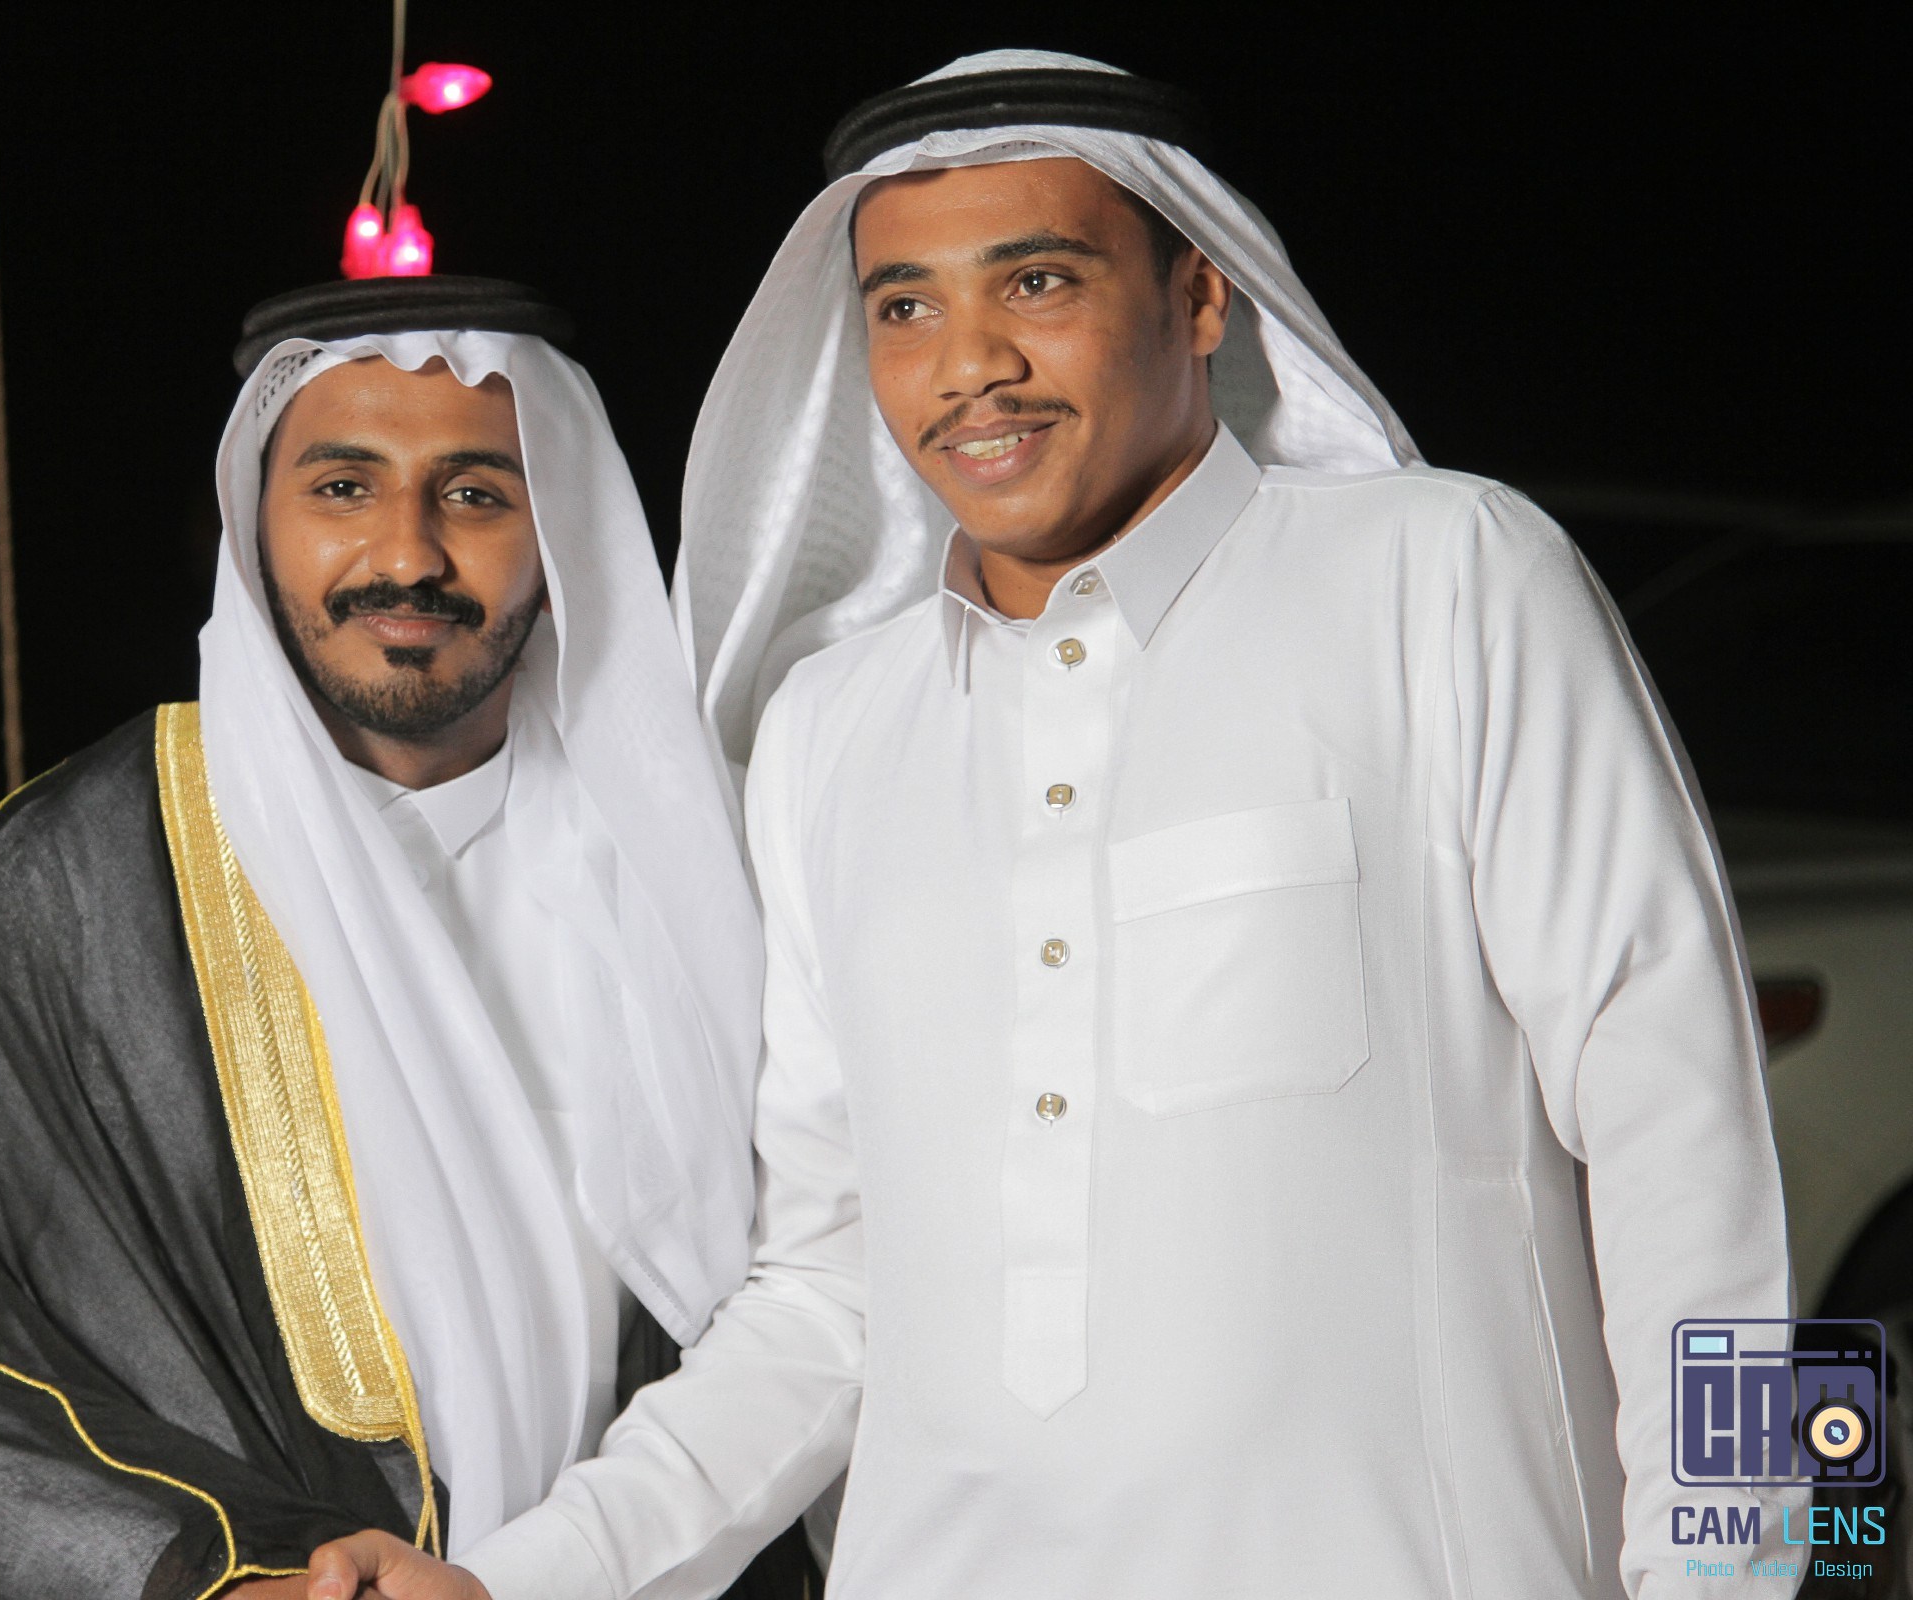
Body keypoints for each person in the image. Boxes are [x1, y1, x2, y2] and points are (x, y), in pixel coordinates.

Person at [308, 51, 1800, 1600]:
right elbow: (825, 1293)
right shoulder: (830, 733)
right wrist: (513, 1579)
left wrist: (1739, 1574)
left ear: (1200, 296)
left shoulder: (1447, 582)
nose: (969, 364)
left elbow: (1692, 1139)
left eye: (1036, 281)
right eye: (905, 307)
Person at [0, 277, 808, 1599]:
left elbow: (817, 1292)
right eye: (343, 488)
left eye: (476, 494)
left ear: (564, 533)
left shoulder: (707, 864)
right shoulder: (79, 876)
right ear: (253, 528)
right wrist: (212, 1580)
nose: (407, 555)